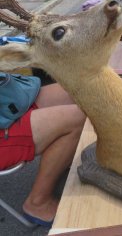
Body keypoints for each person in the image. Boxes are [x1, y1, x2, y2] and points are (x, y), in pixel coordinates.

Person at [0, 77, 86, 228]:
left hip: (6, 96)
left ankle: (62, 156)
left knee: (83, 90)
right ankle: (38, 202)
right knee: (78, 117)